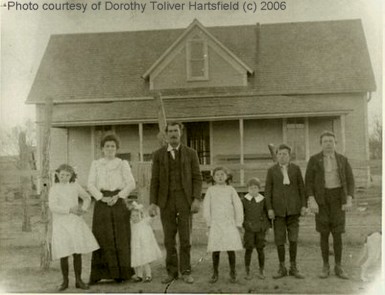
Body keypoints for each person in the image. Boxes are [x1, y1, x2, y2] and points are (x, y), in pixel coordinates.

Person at [149, 122, 202, 284]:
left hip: (185, 200)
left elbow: (197, 177)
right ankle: (171, 272)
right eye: (170, 131)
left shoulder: (191, 153)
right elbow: (155, 180)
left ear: (181, 133)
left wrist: (196, 199)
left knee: (185, 238)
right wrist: (153, 203)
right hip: (166, 202)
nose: (173, 134)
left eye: (176, 131)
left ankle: (186, 271)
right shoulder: (158, 155)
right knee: (168, 239)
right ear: (166, 135)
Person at [87, 133, 136, 284]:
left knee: (120, 236)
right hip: (102, 202)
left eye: (113, 146)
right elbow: (90, 184)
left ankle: (121, 274)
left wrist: (118, 196)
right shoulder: (96, 164)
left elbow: (131, 184)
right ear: (102, 148)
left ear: (117, 148)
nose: (110, 149)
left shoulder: (122, 164)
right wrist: (101, 197)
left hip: (118, 201)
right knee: (102, 236)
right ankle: (98, 274)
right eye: (107, 146)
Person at [305, 131, 354, 279]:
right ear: (321, 144)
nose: (328, 144)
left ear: (335, 143)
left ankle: (338, 266)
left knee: (338, 234)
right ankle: (325, 266)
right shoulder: (314, 160)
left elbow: (350, 181)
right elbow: (309, 182)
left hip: (338, 199)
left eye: (331, 141)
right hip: (322, 200)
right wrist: (312, 200)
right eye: (325, 141)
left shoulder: (342, 160)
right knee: (324, 233)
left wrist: (349, 198)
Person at [49, 164, 99, 291]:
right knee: (64, 252)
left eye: (67, 175)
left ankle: (79, 280)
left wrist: (83, 209)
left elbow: (87, 198)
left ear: (72, 176)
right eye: (62, 175)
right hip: (60, 222)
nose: (64, 177)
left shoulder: (75, 186)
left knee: (77, 252)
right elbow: (53, 206)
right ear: (57, 175)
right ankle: (65, 281)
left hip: (75, 222)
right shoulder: (54, 188)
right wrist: (69, 209)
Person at [265, 144, 306, 279]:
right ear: (276, 156)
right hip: (278, 212)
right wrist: (270, 208)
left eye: (285, 154)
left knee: (293, 239)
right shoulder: (272, 171)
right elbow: (268, 191)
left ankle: (293, 267)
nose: (282, 157)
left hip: (294, 210)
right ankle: (282, 267)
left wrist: (303, 205)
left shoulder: (295, 169)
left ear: (289, 156)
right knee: (280, 240)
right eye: (280, 154)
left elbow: (301, 188)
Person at [203, 167, 244, 284]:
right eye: (217, 175)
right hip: (216, 223)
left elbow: (238, 206)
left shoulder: (231, 190)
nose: (220, 177)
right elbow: (206, 207)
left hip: (229, 223)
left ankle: (233, 272)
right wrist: (209, 223)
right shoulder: (211, 190)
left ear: (226, 177)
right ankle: (215, 273)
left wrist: (238, 222)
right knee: (216, 249)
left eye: (222, 174)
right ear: (214, 177)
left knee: (230, 248)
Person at [242, 177, 271, 280]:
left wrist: (266, 227)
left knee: (260, 249)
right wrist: (244, 225)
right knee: (248, 249)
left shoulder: (263, 200)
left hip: (260, 229)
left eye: (255, 188)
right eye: (251, 188)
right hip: (249, 229)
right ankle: (247, 271)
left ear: (259, 188)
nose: (253, 190)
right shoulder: (244, 200)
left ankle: (261, 270)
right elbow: (242, 215)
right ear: (247, 189)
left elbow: (267, 214)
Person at [128, 201, 162, 283]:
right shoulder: (131, 224)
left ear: (140, 215)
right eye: (133, 216)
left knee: (145, 260)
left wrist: (153, 214)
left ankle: (148, 275)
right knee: (137, 261)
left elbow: (151, 219)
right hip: (136, 245)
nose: (135, 218)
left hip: (144, 245)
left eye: (137, 215)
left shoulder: (144, 222)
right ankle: (139, 275)